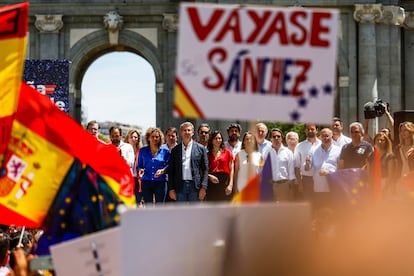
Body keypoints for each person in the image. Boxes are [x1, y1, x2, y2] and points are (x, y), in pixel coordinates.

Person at [168, 122, 209, 203]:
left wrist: (203, 187)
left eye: (189, 130)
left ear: (193, 133)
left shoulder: (200, 149)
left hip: (195, 187)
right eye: (184, 130)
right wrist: (171, 189)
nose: (187, 132)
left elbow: (205, 169)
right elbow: (171, 171)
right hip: (180, 186)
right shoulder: (175, 150)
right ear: (181, 133)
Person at [305, 128, 341, 211]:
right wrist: (307, 164)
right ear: (320, 137)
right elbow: (308, 167)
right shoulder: (313, 150)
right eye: (323, 136)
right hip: (319, 187)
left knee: (332, 212)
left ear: (332, 136)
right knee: (320, 212)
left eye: (327, 136)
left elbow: (341, 169)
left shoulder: (338, 150)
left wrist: (329, 172)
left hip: (333, 188)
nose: (325, 138)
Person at [138, 127, 170, 205]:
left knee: (160, 207)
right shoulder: (142, 151)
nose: (155, 139)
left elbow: (169, 165)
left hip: (160, 183)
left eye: (157, 137)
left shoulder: (165, 151)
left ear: (160, 138)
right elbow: (139, 165)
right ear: (148, 138)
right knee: (148, 207)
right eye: (152, 137)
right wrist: (140, 170)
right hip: (146, 182)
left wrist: (163, 170)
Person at [263, 128, 296, 202]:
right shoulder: (267, 153)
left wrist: (292, 189)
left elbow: (291, 173)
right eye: (274, 136)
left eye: (278, 136)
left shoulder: (288, 152)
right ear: (270, 139)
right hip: (271, 185)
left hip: (284, 185)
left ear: (282, 138)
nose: (276, 138)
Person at [294, 124, 321, 203]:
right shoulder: (299, 146)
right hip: (306, 180)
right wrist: (300, 183)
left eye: (312, 129)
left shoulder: (322, 144)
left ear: (317, 130)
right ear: (305, 131)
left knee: (320, 204)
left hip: (320, 179)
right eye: (308, 129)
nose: (310, 131)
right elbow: (297, 167)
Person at [206, 130, 234, 202]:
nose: (218, 140)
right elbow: (203, 170)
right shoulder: (207, 155)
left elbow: (232, 170)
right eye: (216, 138)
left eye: (220, 138)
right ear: (211, 140)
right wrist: (209, 176)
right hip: (211, 184)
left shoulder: (227, 152)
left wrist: (230, 185)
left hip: (224, 183)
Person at [371, 132, 397, 198]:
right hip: (373, 183)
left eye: (382, 140)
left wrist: (384, 188)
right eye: (378, 140)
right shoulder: (371, 156)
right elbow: (369, 172)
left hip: (385, 183)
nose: (379, 141)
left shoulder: (390, 156)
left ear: (386, 142)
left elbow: (390, 175)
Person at [124, 129, 143, 206]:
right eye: (131, 137)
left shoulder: (141, 151)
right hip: (127, 179)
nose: (133, 139)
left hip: (138, 180)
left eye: (135, 137)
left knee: (138, 202)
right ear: (128, 138)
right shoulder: (123, 150)